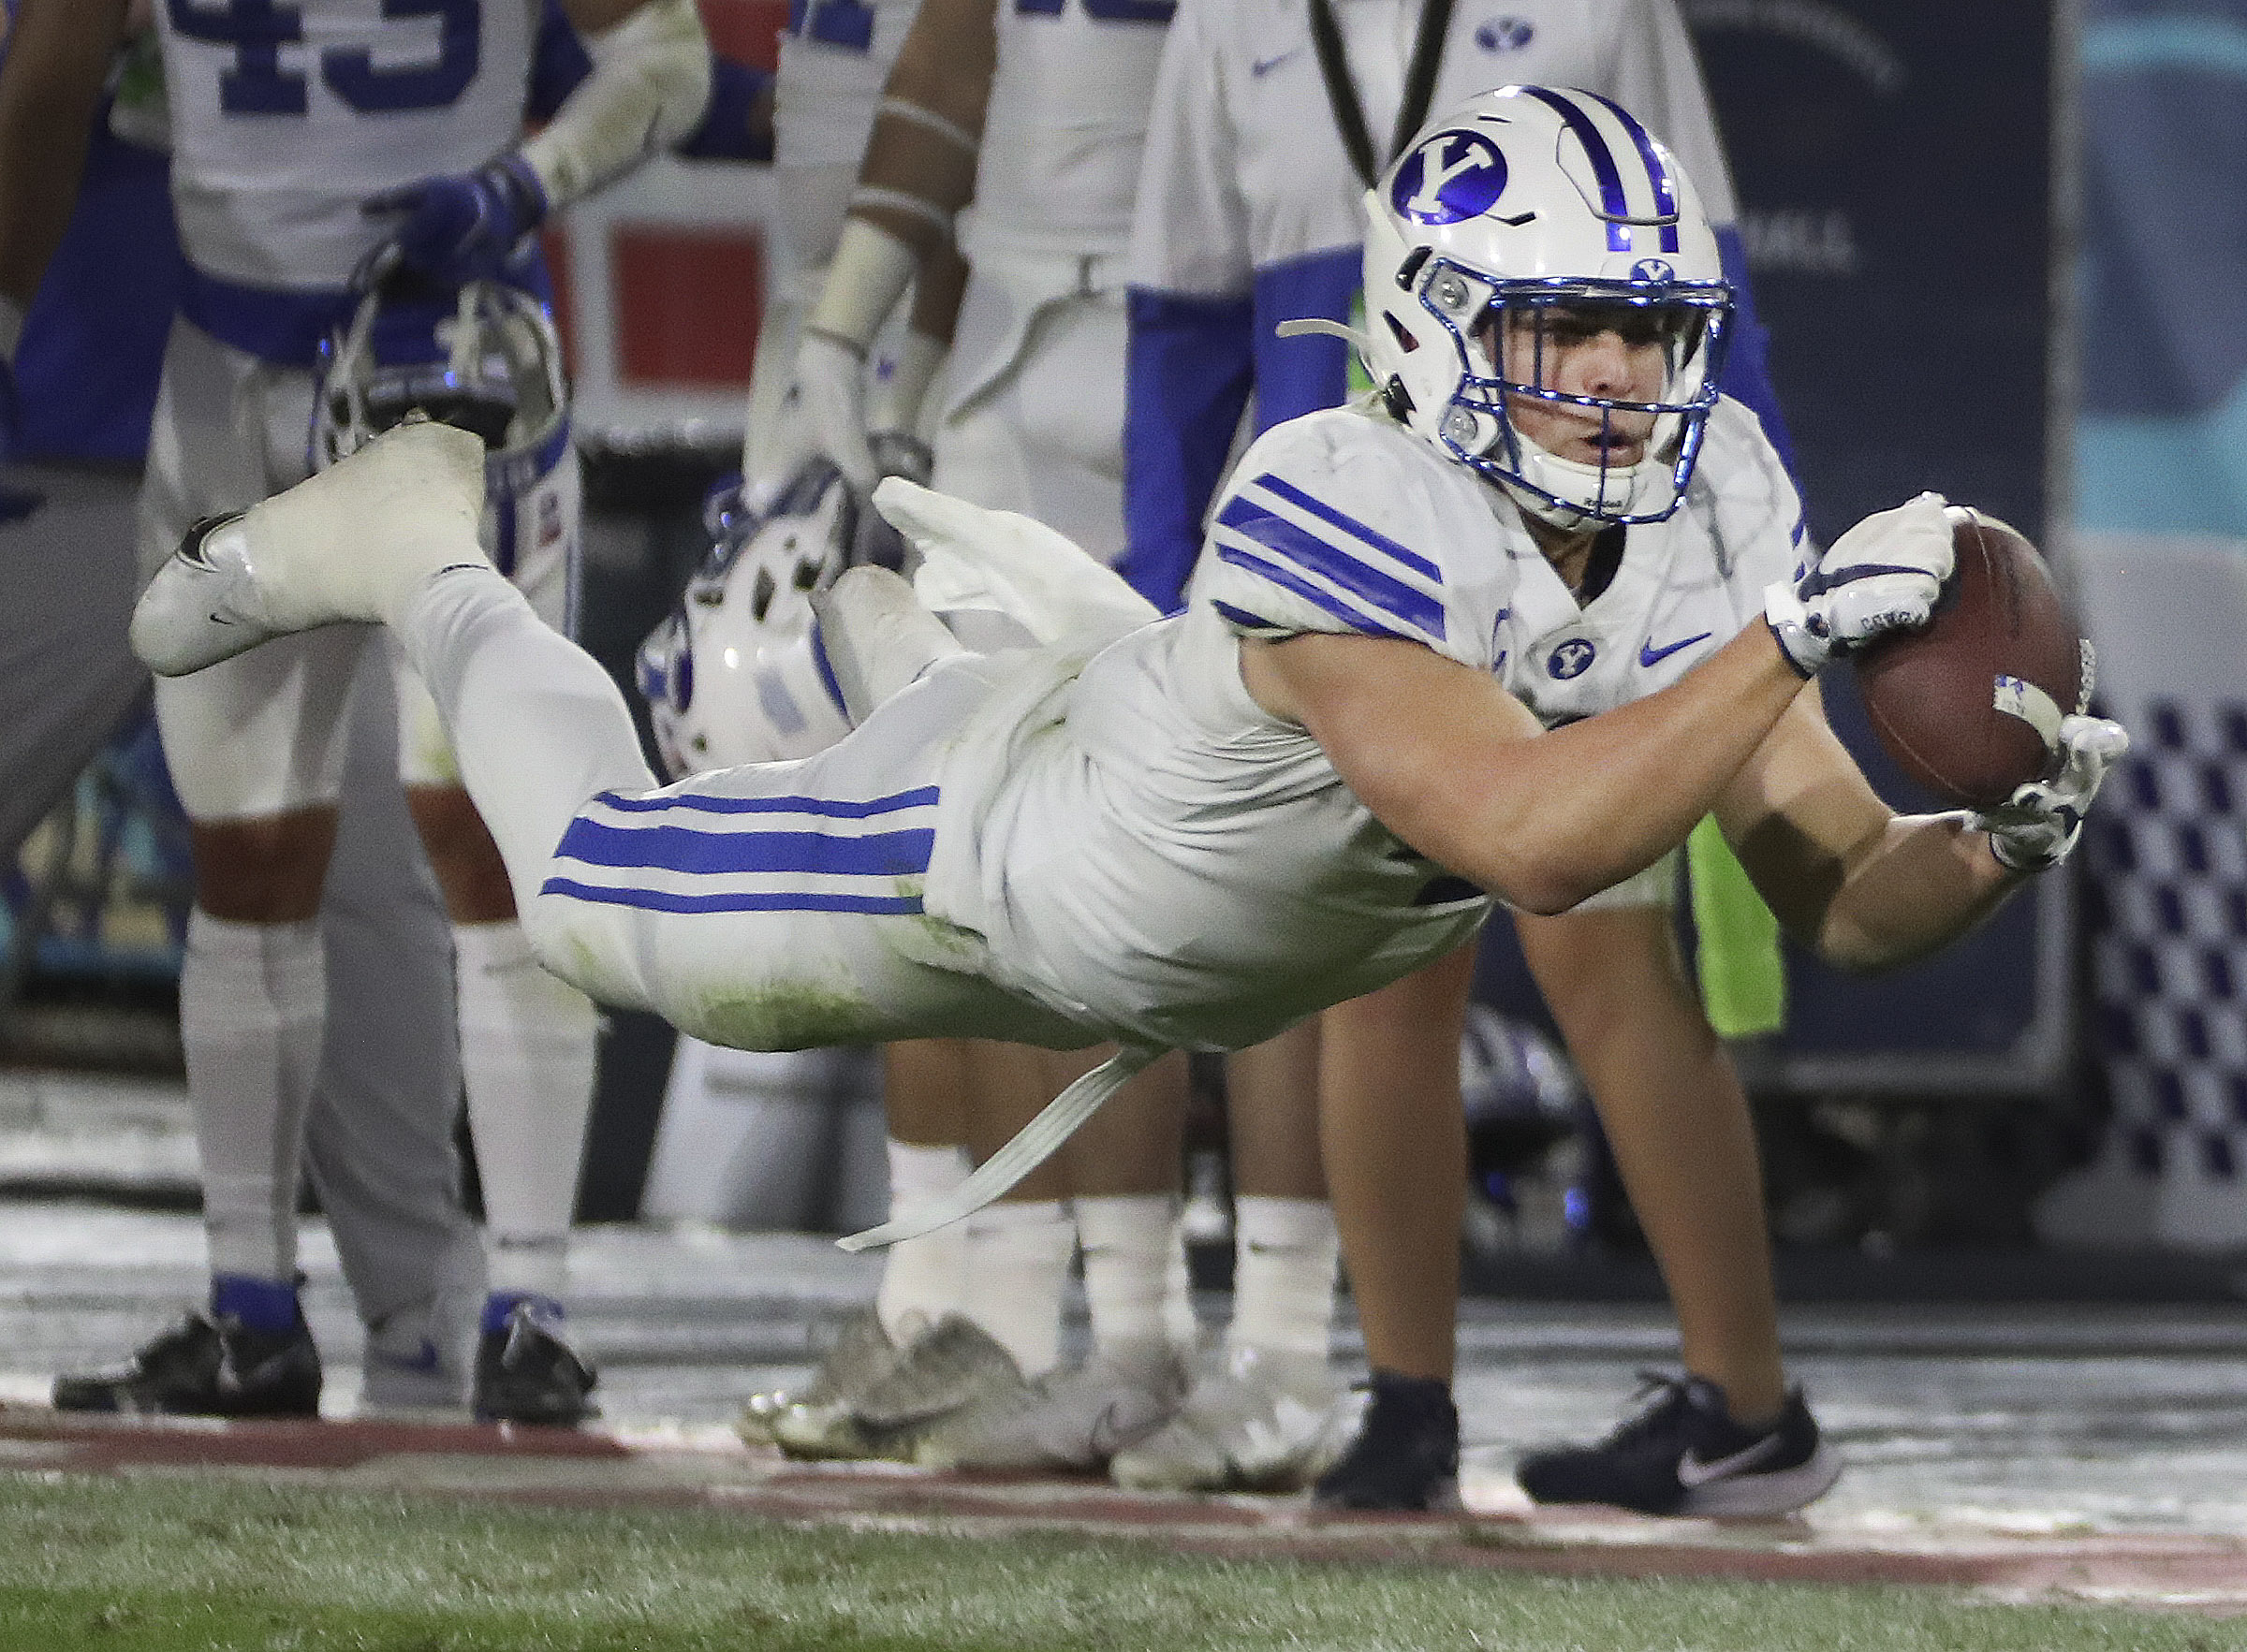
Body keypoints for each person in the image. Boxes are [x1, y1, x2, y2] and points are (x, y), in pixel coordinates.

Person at [135, 89, 2122, 1516]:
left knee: (1027, 720)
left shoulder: (1715, 517)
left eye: (1646, 334)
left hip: (1182, 875)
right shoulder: (1348, 486)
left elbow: (1841, 894)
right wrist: (1782, 639)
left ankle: (900, 649)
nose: (1613, 378)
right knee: (594, 901)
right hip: (1011, 866)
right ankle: (426, 554)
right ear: (1435, 330)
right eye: (1560, 329)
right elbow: (1532, 840)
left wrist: (1989, 847)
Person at [1120, 0, 1813, 1509]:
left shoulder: (1601, 6)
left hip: (1584, 525)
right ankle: (1406, 1399)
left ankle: (1743, 1398)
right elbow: (1180, 305)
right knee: (1389, 970)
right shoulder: (1229, 20)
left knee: (1610, 954)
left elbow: (1706, 269)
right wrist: (1160, 571)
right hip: (1364, 535)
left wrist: (1744, 555)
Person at [0, 0, 712, 1424]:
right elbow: (66, 86)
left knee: (489, 836)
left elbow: (671, 54)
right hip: (229, 372)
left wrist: (521, 183)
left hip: (449, 367)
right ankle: (250, 1298)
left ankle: (532, 1298)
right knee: (250, 854)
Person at [728, 0, 1209, 1475]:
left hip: (1184, 336)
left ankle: (1151, 1329)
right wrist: (857, 325)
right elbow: (954, 61)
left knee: (1135, 850)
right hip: (1010, 324)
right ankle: (986, 1312)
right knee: (956, 849)